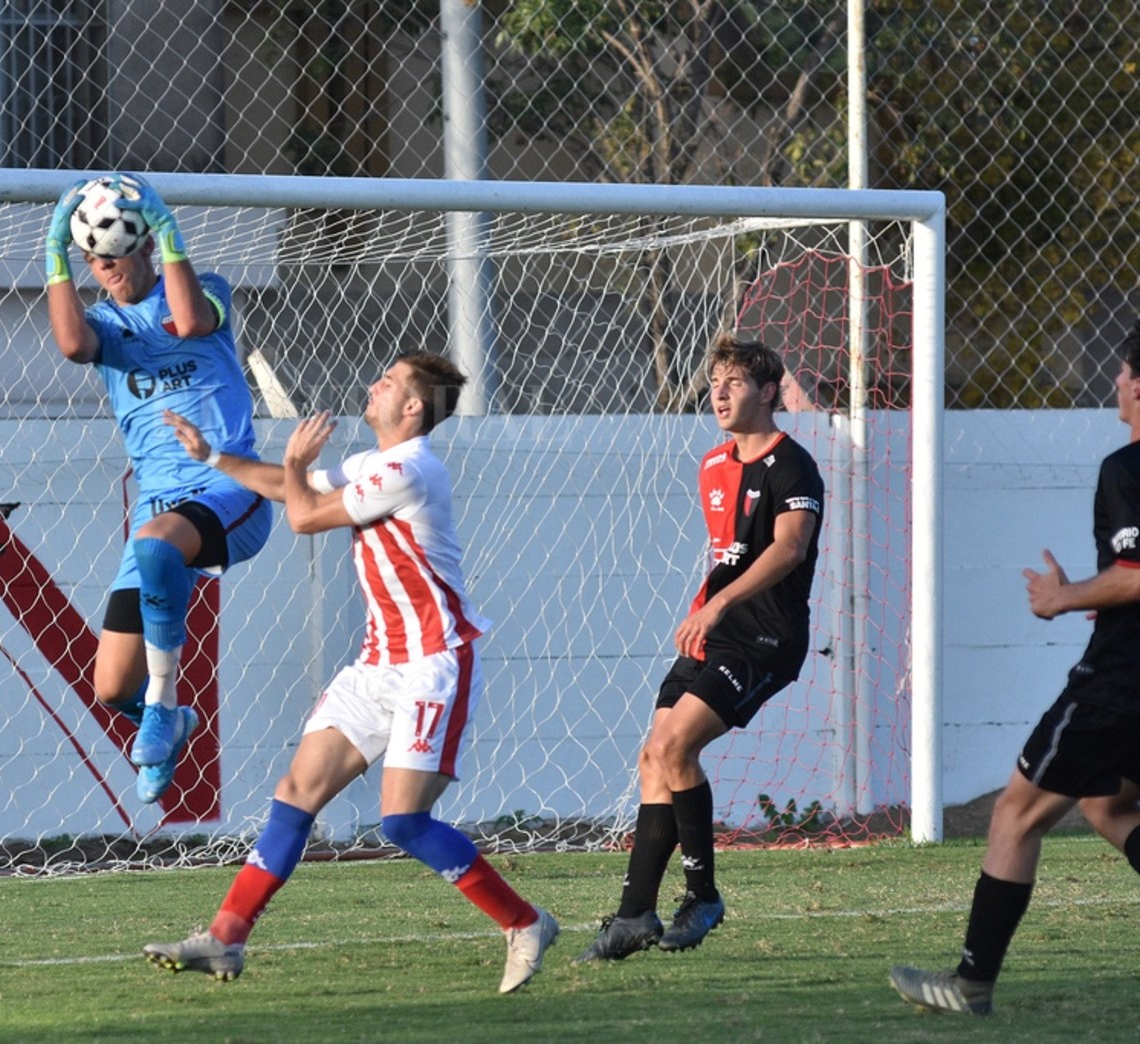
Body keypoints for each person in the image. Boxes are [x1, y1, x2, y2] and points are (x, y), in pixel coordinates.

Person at [142, 353, 559, 993]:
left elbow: (304, 515)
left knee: (402, 822)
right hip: (376, 665)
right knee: (295, 792)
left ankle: (525, 921)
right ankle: (226, 938)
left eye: (388, 382)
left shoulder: (409, 468)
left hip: (432, 664)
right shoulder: (374, 465)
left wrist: (295, 464)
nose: (373, 385)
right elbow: (291, 491)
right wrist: (211, 458)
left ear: (414, 407)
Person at [889, 319, 1140, 1016]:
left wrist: (1066, 597)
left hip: (1118, 685)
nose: (1114, 383)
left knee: (1013, 814)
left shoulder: (1126, 468)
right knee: (1107, 803)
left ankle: (969, 982)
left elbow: (1136, 571)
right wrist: (1104, 595)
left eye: (1122, 370)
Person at [579, 334, 824, 962]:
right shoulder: (713, 466)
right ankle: (635, 914)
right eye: (714, 380)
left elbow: (788, 548)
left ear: (768, 392)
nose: (718, 391)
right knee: (652, 758)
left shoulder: (794, 466)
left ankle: (704, 897)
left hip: (765, 637)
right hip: (713, 631)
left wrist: (719, 605)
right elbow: (725, 557)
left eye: (735, 381)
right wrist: (705, 611)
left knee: (674, 746)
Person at [44, 172, 272, 805]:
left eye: (119, 252)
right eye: (97, 259)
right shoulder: (105, 325)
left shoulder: (206, 293)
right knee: (112, 686)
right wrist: (54, 250)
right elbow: (70, 345)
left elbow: (193, 319)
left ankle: (163, 702)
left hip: (229, 488)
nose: (109, 267)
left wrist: (169, 229)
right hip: (159, 507)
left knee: (154, 546)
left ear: (146, 246)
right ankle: (167, 717)